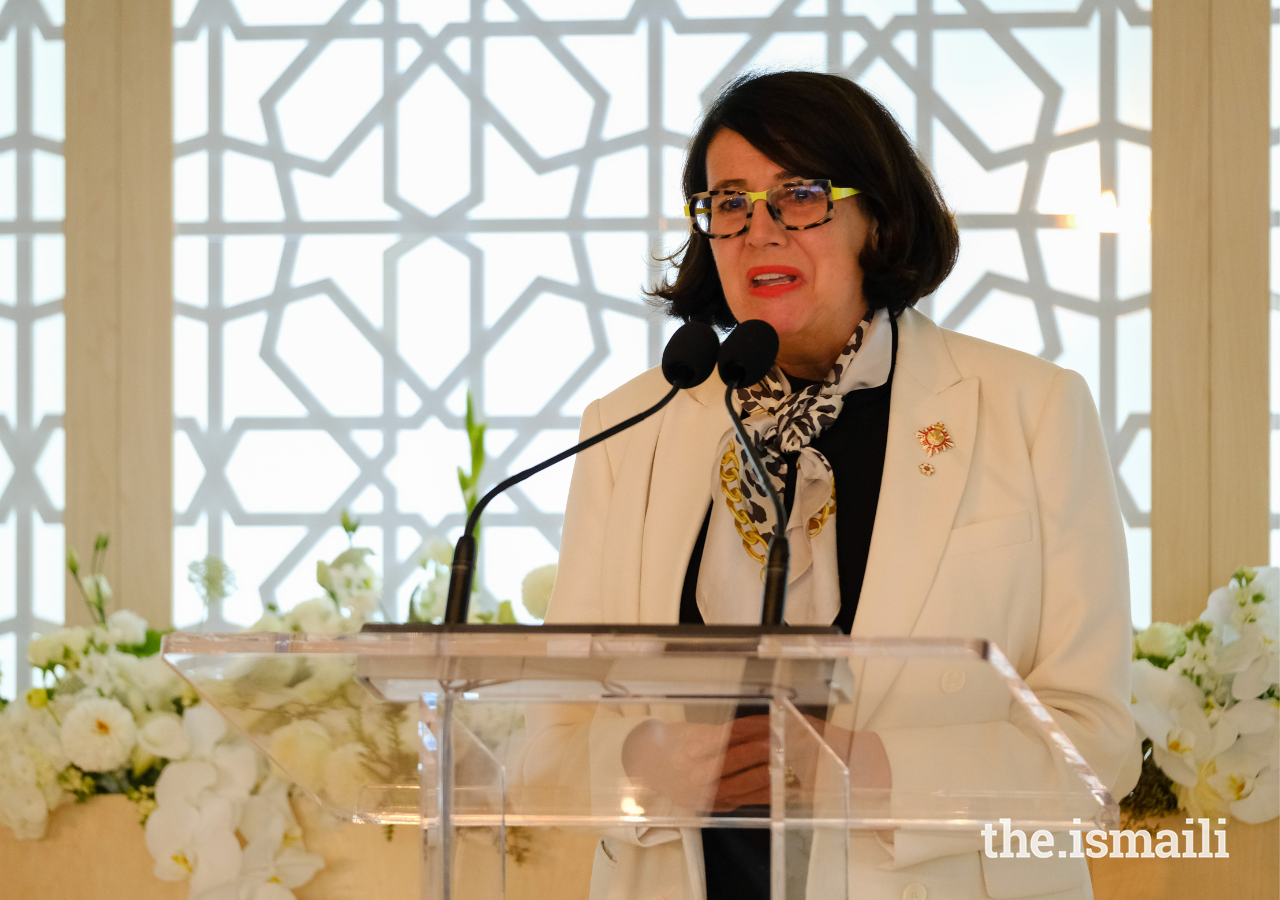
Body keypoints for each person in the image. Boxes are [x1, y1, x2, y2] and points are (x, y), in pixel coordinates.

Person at [521, 70, 1134, 900]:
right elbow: (551, 738)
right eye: (728, 201)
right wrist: (640, 762)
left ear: (875, 217)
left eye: (799, 196)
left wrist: (866, 770)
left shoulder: (1030, 410)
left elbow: (1095, 748)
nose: (758, 231)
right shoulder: (631, 428)